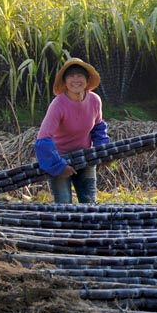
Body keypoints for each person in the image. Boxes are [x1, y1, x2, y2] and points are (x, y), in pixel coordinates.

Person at [35, 58, 110, 204]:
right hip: (60, 158)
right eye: (71, 76)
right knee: (64, 205)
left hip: (85, 157)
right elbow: (43, 138)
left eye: (80, 75)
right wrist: (59, 166)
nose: (76, 80)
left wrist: (104, 152)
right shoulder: (58, 105)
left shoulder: (95, 100)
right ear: (65, 81)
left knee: (89, 204)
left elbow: (98, 128)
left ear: (87, 80)